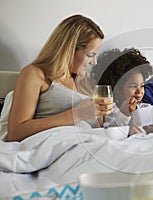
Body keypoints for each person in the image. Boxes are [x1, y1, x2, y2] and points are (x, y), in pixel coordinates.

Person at [7, 14, 113, 142]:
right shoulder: (36, 74)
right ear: (68, 50)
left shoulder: (87, 83)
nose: (94, 62)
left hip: (91, 147)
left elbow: (99, 131)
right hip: (57, 148)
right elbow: (15, 133)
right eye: (90, 55)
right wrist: (76, 114)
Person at [93, 48, 153, 136]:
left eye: (142, 86)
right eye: (133, 86)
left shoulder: (146, 108)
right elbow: (113, 134)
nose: (139, 91)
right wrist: (124, 114)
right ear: (118, 89)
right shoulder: (110, 112)